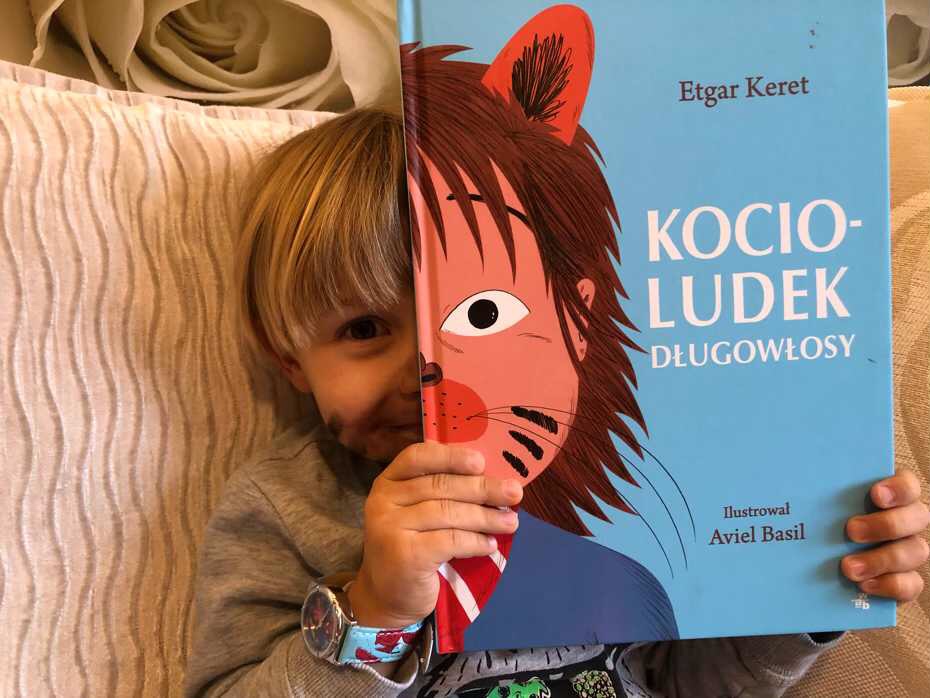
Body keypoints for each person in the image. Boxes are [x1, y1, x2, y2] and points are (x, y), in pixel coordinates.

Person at [183, 108, 930, 698]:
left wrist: (808, 583)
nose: (430, 369)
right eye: (365, 329)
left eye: (478, 314)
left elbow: (691, 682)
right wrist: (374, 610)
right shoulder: (284, 504)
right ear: (288, 361)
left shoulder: (620, 483)